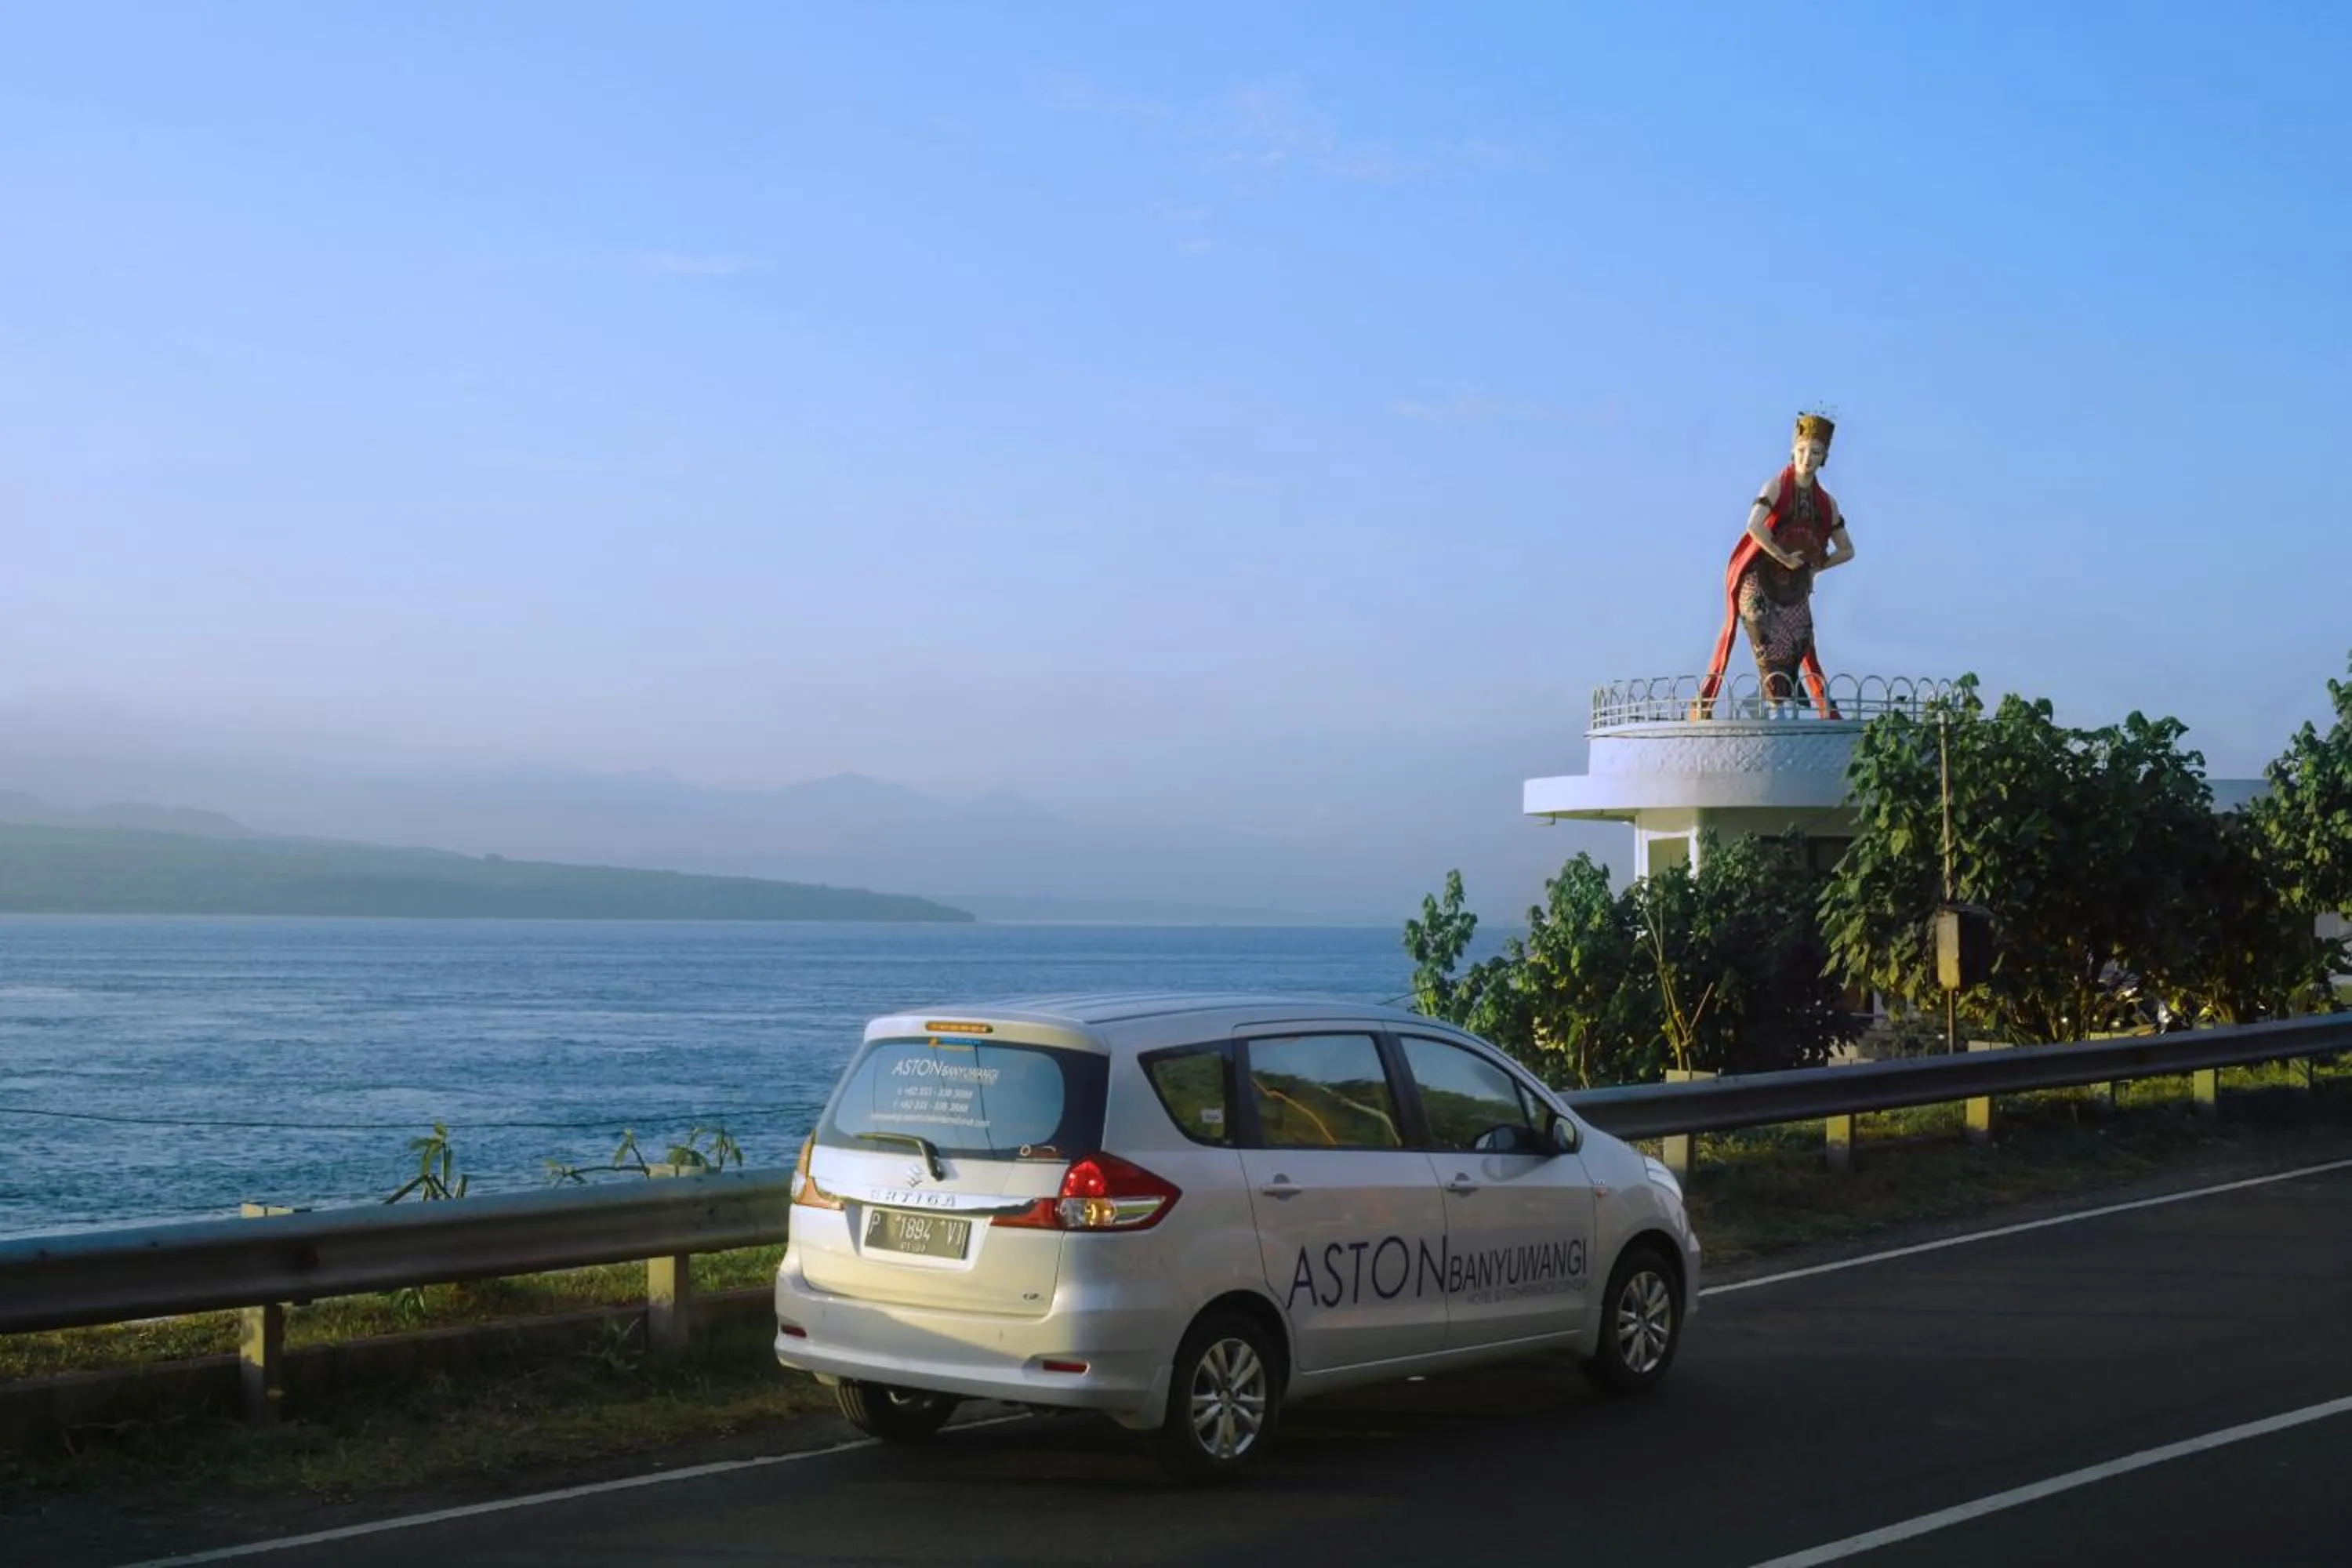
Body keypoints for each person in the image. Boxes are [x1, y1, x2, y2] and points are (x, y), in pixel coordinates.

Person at [1695, 412, 1857, 718]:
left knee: (1801, 638)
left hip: (1794, 585)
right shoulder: (1776, 486)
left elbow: (1847, 549)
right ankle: (1774, 709)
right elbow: (1755, 526)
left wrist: (1814, 566)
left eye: (1815, 453)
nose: (1807, 458)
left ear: (1825, 458)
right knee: (1764, 633)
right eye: (1802, 451)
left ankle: (1786, 706)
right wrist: (1783, 556)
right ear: (1792, 451)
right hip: (1759, 578)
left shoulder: (1826, 503)